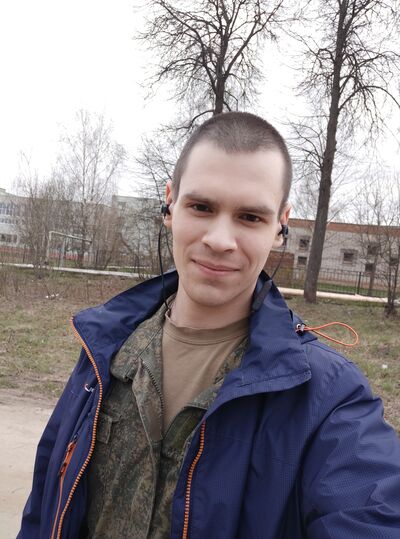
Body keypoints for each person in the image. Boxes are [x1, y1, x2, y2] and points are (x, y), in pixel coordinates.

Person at [19, 112, 400, 539]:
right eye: (202, 207)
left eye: (250, 217)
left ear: (281, 225)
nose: (219, 240)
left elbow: (371, 514)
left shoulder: (326, 396)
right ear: (170, 203)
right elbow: (44, 506)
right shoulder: (103, 348)